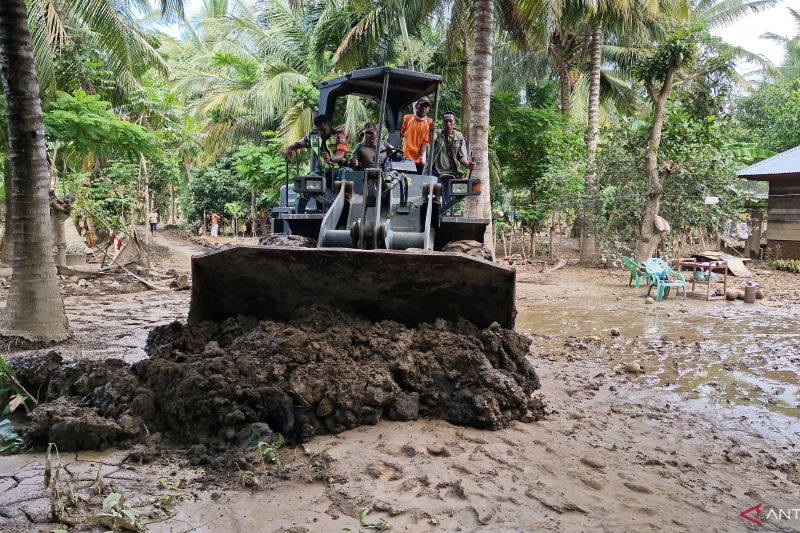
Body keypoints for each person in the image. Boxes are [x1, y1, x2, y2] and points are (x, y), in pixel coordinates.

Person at [284, 114, 349, 212]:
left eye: (323, 130)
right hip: (321, 171)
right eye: (318, 130)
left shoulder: (340, 136)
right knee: (304, 184)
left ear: (328, 125)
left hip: (339, 169)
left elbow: (340, 155)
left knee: (349, 176)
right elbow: (299, 144)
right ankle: (299, 215)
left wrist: (330, 158)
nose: (320, 132)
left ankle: (346, 206)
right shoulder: (313, 136)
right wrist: (289, 148)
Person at [432, 111, 475, 208]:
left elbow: (461, 156)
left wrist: (468, 165)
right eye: (446, 121)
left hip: (450, 175)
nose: (448, 124)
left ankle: (444, 218)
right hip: (435, 173)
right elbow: (429, 140)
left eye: (450, 121)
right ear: (443, 123)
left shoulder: (458, 136)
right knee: (434, 199)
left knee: (447, 203)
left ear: (454, 123)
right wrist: (431, 131)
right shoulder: (436, 133)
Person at [400, 97, 434, 173]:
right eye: (421, 105)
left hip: (420, 159)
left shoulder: (430, 122)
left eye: (426, 106)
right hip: (407, 157)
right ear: (416, 106)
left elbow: (426, 141)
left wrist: (422, 156)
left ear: (428, 109)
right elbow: (400, 134)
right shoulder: (407, 118)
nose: (423, 108)